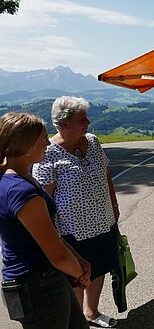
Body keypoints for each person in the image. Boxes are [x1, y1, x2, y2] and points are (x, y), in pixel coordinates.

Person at [32, 96, 120, 328]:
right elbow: (45, 197)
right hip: (72, 230)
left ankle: (92, 312)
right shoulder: (48, 152)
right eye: (82, 119)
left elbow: (106, 174)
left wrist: (114, 206)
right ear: (63, 124)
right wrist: (50, 232)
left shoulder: (93, 141)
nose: (88, 122)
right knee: (76, 277)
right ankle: (77, 320)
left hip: (103, 220)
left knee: (99, 267)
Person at [0, 112, 91, 329]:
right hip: (40, 284)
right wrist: (81, 274)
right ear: (27, 144)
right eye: (43, 139)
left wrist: (77, 258)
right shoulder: (22, 191)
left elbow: (49, 233)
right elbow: (57, 256)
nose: (48, 143)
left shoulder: (15, 178)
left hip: (39, 281)